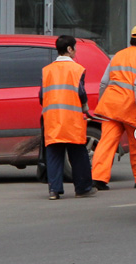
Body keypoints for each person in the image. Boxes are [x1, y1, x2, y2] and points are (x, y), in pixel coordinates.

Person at [39, 35, 97, 200]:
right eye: (75, 48)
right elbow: (81, 93)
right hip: (72, 119)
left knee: (54, 155)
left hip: (52, 118)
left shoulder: (47, 70)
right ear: (70, 49)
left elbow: (41, 96)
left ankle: (54, 191)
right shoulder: (77, 69)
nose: (75, 51)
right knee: (78, 154)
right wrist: (86, 109)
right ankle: (83, 188)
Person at [91, 24, 136, 190]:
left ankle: (98, 178)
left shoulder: (118, 55)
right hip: (130, 107)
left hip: (111, 105)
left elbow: (103, 82)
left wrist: (103, 103)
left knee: (106, 143)